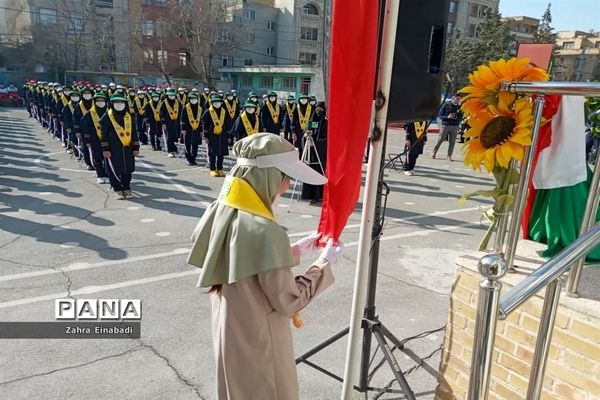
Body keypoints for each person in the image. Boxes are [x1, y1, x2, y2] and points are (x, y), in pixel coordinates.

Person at [187, 132, 341, 400]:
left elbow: (245, 260)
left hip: (231, 328)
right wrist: (322, 265)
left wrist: (291, 251)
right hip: (259, 337)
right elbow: (289, 300)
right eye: (286, 176)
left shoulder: (221, 208)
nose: (289, 183)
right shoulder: (266, 231)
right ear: (268, 176)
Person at [101, 93, 140, 200]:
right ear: (112, 103)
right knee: (114, 169)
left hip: (128, 147)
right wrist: (105, 148)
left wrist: (136, 147)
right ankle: (117, 189)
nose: (119, 104)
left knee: (128, 168)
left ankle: (126, 187)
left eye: (122, 102)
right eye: (117, 102)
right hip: (113, 148)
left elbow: (134, 132)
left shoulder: (129, 116)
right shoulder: (107, 117)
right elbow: (103, 134)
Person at [301, 101, 328, 204]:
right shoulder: (311, 121)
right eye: (316, 109)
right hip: (311, 154)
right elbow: (306, 135)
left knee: (320, 173)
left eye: (320, 110)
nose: (318, 112)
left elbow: (326, 140)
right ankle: (309, 195)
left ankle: (320, 196)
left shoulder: (326, 123)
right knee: (310, 173)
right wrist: (306, 138)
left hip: (320, 155)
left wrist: (316, 143)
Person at [81, 93, 109, 184]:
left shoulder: (109, 112)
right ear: (94, 101)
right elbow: (85, 128)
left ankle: (108, 174)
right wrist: (87, 140)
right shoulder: (90, 113)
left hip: (108, 139)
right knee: (98, 158)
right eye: (98, 100)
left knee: (108, 158)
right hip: (95, 138)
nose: (100, 102)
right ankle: (100, 175)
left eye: (102, 100)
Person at [202, 95, 232, 177]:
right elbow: (205, 125)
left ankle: (220, 169)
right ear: (212, 103)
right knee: (212, 153)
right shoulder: (208, 112)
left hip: (223, 135)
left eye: (218, 102)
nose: (217, 103)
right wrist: (206, 136)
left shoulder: (224, 111)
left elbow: (228, 124)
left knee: (221, 153)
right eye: (215, 102)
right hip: (212, 135)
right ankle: (212, 169)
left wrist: (229, 136)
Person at [432, 95, 461, 161]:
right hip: (446, 125)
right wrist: (447, 116)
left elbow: (461, 116)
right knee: (441, 140)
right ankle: (434, 152)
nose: (458, 100)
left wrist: (456, 117)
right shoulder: (446, 105)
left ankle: (449, 156)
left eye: (459, 99)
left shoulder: (460, 107)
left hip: (455, 126)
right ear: (453, 98)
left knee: (452, 142)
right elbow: (440, 115)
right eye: (457, 98)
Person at [180, 92, 203, 166]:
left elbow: (202, 120)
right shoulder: (185, 107)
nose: (194, 100)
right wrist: (183, 129)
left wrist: (202, 130)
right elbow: (182, 119)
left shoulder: (200, 108)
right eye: (192, 99)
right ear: (189, 99)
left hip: (197, 129)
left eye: (195, 99)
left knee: (195, 144)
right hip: (187, 129)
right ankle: (188, 159)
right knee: (188, 144)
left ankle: (193, 159)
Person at [160, 88, 181, 157]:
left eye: (173, 95)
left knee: (176, 137)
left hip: (176, 122)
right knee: (169, 137)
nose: (171, 96)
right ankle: (170, 151)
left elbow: (181, 112)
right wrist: (163, 123)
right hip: (168, 122)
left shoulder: (178, 102)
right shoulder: (164, 103)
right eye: (170, 95)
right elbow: (162, 113)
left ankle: (175, 150)